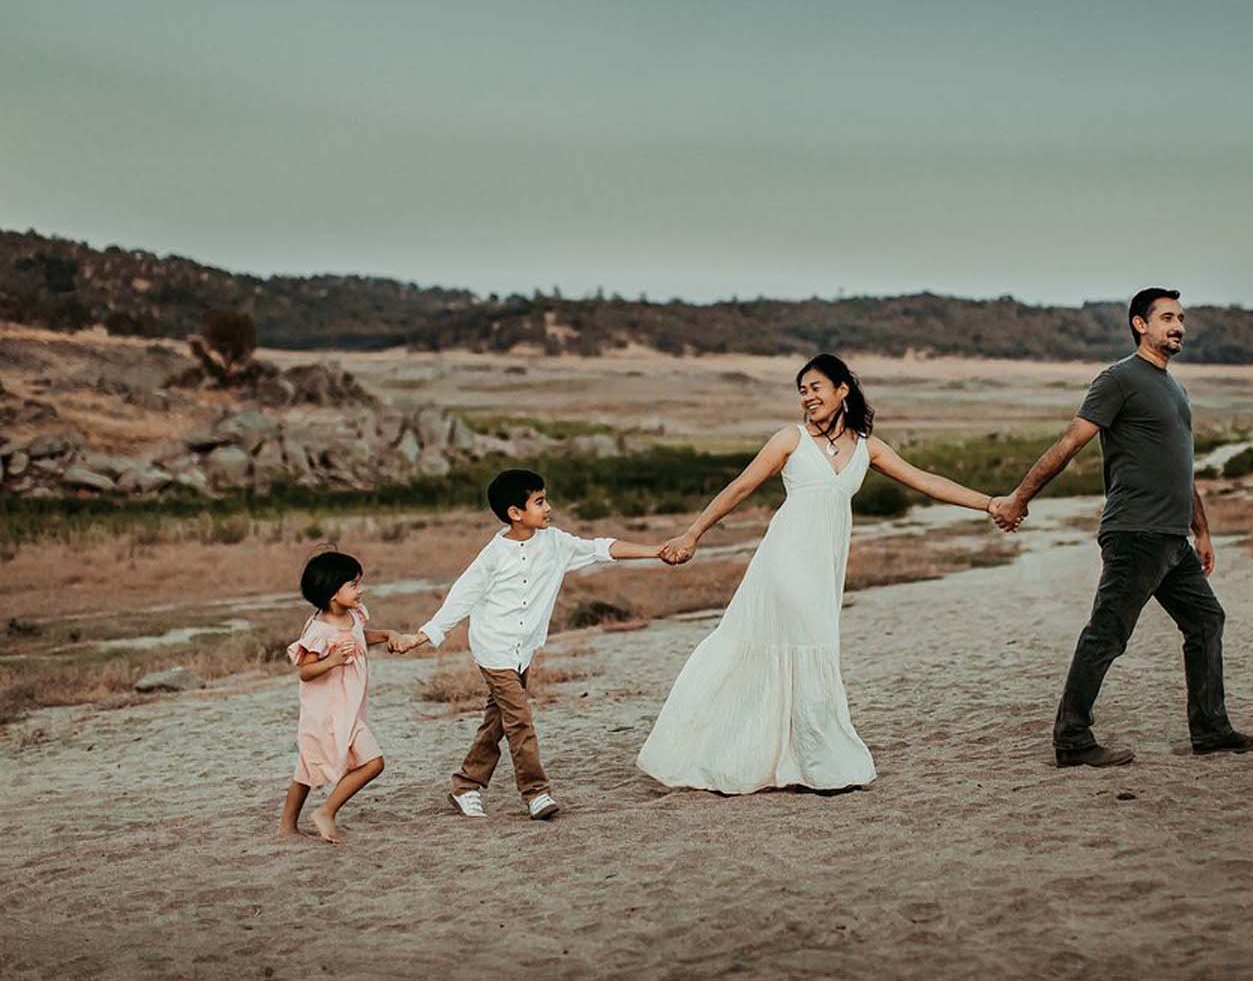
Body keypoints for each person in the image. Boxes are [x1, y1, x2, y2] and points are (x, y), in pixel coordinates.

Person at [639, 353, 1003, 794]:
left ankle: (796, 758)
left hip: (824, 568)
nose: (807, 397)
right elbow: (739, 487)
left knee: (811, 646)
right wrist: (693, 533)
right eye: (802, 391)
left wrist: (989, 503)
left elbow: (925, 480)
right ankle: (821, 763)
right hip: (784, 561)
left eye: (815, 388)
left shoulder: (868, 447)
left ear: (842, 390)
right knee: (807, 643)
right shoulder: (788, 439)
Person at [991, 288, 1253, 767]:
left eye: (1180, 318)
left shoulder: (1175, 389)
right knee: (1107, 634)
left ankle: (1210, 728)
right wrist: (1019, 498)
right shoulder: (1119, 379)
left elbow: (1181, 468)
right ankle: (1072, 739)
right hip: (1135, 533)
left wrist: (1200, 531)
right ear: (1141, 325)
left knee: (1206, 620)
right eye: (1166, 317)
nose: (1177, 326)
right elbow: (1069, 443)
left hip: (1172, 538)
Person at [388, 469, 664, 820]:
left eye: (545, 499)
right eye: (539, 502)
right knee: (519, 721)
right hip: (493, 649)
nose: (548, 507)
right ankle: (536, 793)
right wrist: (421, 636)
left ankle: (466, 784)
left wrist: (655, 551)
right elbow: (460, 599)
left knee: (498, 720)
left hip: (523, 649)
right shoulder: (492, 556)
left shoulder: (555, 543)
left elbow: (600, 549)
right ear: (515, 513)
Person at [279, 550, 394, 843]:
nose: (361, 589)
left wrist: (387, 636)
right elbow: (305, 671)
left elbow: (359, 637)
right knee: (367, 763)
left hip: (350, 707)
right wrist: (331, 661)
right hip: (327, 710)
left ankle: (293, 823)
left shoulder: (354, 615)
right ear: (333, 592)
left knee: (310, 766)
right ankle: (321, 813)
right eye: (353, 585)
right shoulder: (319, 630)